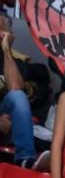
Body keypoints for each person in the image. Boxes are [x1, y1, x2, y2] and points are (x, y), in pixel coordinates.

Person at [0, 28, 37, 169]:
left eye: (3, 32)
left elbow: (16, 88)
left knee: (18, 97)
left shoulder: (15, 61)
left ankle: (24, 159)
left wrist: (6, 51)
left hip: (6, 121)